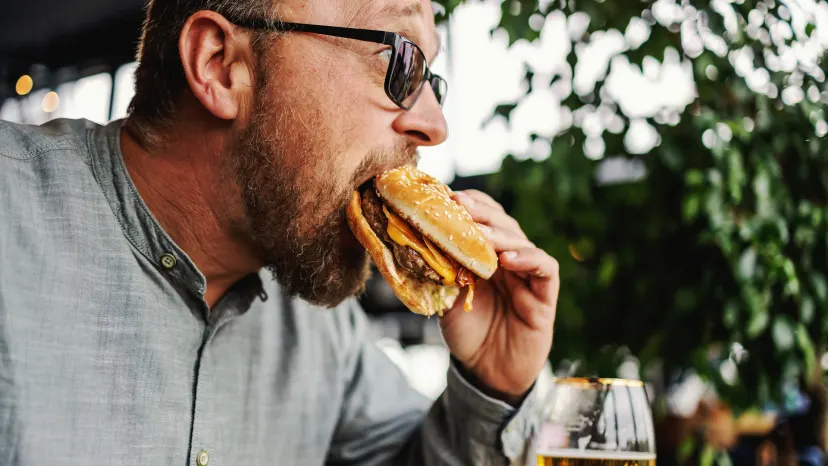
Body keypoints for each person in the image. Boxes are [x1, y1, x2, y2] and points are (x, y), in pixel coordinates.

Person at [0, 0, 560, 464]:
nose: (434, 125)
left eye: (430, 79)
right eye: (400, 61)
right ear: (219, 64)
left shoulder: (320, 331)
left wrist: (493, 386)